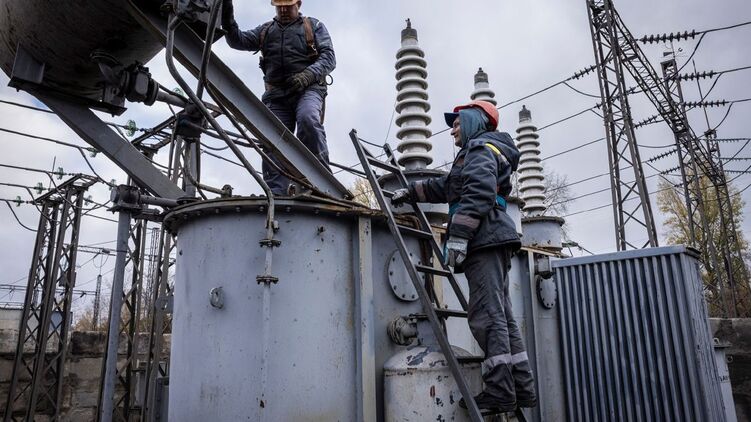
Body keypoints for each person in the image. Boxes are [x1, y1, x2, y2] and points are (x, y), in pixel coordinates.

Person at [391, 100, 537, 414]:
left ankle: (500, 391)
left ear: (473, 120)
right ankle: (521, 386)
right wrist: (412, 192)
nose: (452, 130)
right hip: (493, 237)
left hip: (484, 238)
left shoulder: (480, 149)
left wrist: (458, 236)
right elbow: (448, 186)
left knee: (486, 316)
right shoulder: (481, 151)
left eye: (457, 123)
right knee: (502, 316)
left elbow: (478, 193)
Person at [221, 0, 335, 195]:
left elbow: (329, 58)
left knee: (308, 118)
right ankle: (277, 191)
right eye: (279, 6)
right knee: (272, 136)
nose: (283, 10)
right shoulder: (266, 31)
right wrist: (227, 14)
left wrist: (307, 75)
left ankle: (320, 183)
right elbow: (237, 40)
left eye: (287, 6)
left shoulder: (313, 26)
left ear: (298, 4)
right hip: (276, 97)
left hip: (307, 90)